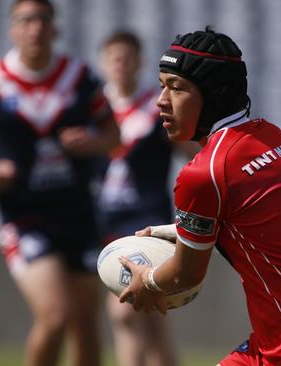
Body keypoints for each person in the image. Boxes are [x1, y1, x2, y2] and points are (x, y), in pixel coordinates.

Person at [118, 27, 281, 366]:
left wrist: (149, 281)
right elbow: (253, 223)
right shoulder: (271, 137)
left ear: (214, 93)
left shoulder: (206, 171)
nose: (161, 100)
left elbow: (185, 276)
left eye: (177, 87)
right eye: (161, 86)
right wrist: (179, 230)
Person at [0, 1, 119, 365]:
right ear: (13, 29)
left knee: (85, 322)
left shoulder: (81, 78)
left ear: (55, 29)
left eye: (43, 19)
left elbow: (113, 134)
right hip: (23, 215)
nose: (35, 28)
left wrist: (94, 142)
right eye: (26, 20)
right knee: (55, 314)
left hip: (78, 212)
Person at [97, 30, 197, 366]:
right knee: (153, 320)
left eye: (127, 57)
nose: (121, 65)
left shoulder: (157, 108)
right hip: (100, 218)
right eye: (114, 58)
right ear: (104, 63)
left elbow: (192, 153)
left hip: (144, 220)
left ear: (139, 62)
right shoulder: (93, 109)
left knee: (125, 310)